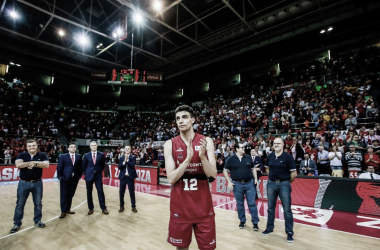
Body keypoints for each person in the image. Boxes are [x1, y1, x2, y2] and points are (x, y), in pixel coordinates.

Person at [164, 105, 217, 250]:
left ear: (193, 120)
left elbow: (212, 175)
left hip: (203, 209)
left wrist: (202, 158)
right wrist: (187, 160)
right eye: (178, 118)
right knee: (181, 248)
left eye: (185, 117)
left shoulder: (206, 141)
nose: (180, 121)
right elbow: (171, 179)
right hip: (180, 209)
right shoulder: (169, 144)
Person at [10, 140, 50, 233]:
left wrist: (35, 163)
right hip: (24, 183)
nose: (32, 147)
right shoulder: (21, 155)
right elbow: (18, 164)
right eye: (29, 146)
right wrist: (31, 163)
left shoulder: (42, 155)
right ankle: (17, 223)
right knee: (20, 204)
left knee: (38, 204)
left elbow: (46, 165)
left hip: (37, 183)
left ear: (37, 146)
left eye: (33, 145)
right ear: (26, 147)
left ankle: (37, 221)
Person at [263, 138, 297, 243]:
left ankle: (289, 232)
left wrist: (285, 182)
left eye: (278, 143)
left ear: (283, 144)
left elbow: (294, 173)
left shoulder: (288, 157)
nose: (276, 145)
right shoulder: (270, 156)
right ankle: (269, 228)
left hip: (284, 184)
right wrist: (273, 178)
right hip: (271, 184)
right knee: (270, 208)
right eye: (275, 143)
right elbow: (267, 169)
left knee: (287, 210)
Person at [223, 143, 259, 230]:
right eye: (242, 147)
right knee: (240, 204)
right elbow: (225, 170)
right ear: (236, 149)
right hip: (237, 184)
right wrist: (229, 182)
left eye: (244, 147)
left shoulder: (248, 157)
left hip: (249, 183)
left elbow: (253, 168)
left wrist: (256, 179)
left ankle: (255, 223)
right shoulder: (230, 159)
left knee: (252, 203)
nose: (244, 148)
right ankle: (242, 221)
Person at [57, 142, 82, 218]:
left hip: (74, 179)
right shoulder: (63, 156)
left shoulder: (79, 156)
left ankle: (68, 209)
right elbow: (59, 167)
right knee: (64, 195)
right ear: (68, 148)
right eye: (71, 147)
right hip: (64, 179)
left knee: (71, 194)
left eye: (74, 147)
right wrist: (60, 177)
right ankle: (63, 211)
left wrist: (78, 177)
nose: (73, 148)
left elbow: (81, 168)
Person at [82, 140, 108, 215]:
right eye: (92, 145)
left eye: (95, 145)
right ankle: (90, 208)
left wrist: (98, 171)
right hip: (89, 176)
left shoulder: (101, 155)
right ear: (90, 147)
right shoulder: (86, 155)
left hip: (98, 176)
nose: (94, 146)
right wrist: (87, 173)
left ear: (97, 146)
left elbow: (103, 165)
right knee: (89, 193)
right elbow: (84, 166)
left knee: (100, 192)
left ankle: (103, 208)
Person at [118, 145, 138, 213]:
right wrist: (124, 162)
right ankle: (121, 206)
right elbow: (119, 167)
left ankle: (133, 206)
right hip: (123, 177)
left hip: (130, 177)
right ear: (124, 150)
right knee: (121, 193)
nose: (127, 150)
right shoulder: (121, 157)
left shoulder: (133, 157)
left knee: (132, 192)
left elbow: (132, 165)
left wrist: (127, 160)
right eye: (126, 149)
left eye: (128, 149)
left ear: (130, 150)